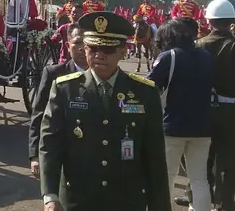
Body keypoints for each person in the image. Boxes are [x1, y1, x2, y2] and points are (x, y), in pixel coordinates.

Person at [39, 11, 171, 211]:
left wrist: (159, 206)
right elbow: (50, 143)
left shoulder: (145, 92)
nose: (99, 55)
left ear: (122, 51)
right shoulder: (65, 89)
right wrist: (50, 195)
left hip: (126, 201)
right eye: (93, 48)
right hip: (79, 199)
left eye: (108, 49)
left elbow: (154, 156)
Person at [149, 18, 214, 211]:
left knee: (166, 177)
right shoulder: (206, 56)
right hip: (202, 126)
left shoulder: (169, 56)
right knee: (200, 179)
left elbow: (150, 85)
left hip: (172, 126)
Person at [29, 22, 87, 178]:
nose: (82, 48)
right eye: (77, 43)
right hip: (61, 155)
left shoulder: (102, 76)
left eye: (87, 43)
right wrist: (34, 155)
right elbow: (39, 114)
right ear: (68, 46)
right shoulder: (54, 74)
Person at [196, 0, 235, 210]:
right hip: (231, 111)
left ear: (209, 21)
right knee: (228, 161)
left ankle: (199, 200)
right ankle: (226, 203)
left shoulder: (198, 45)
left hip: (204, 110)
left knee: (202, 159)